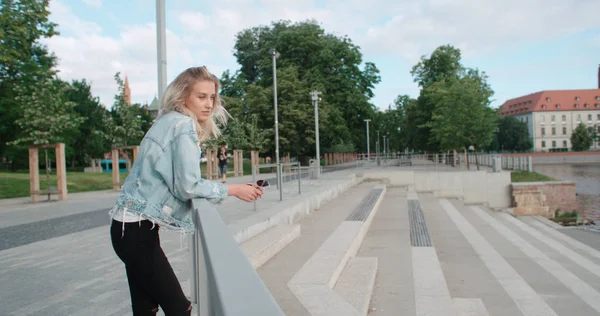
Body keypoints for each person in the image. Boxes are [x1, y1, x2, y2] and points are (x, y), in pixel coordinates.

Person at [109, 66, 264, 316]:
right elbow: (188, 185)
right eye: (201, 97)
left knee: (145, 308)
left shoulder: (166, 121)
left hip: (128, 229)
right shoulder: (183, 125)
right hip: (136, 232)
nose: (209, 104)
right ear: (184, 97)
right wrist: (234, 189)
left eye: (212, 97)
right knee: (180, 309)